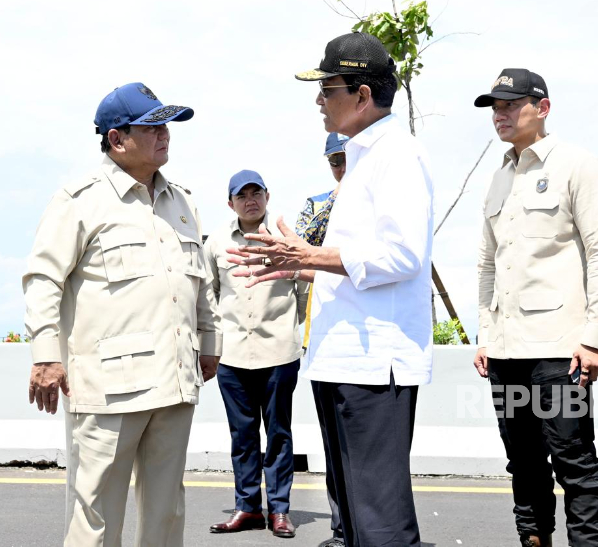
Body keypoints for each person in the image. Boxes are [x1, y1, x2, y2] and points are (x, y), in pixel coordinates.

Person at [229, 31, 434, 547]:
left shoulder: (397, 155)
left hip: (373, 366)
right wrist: (302, 267)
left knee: (381, 525)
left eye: (328, 88)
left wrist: (310, 255)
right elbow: (358, 264)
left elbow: (403, 255)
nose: (319, 101)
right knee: (357, 522)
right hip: (343, 359)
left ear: (363, 95)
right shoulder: (365, 156)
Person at [23, 82, 221, 546]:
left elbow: (200, 284)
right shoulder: (80, 199)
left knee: (167, 512)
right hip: (108, 389)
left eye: (166, 125)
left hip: (174, 383)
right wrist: (46, 355)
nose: (165, 134)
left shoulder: (183, 202)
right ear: (117, 138)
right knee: (96, 516)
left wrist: (209, 344)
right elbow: (43, 279)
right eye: (152, 126)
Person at [473, 68, 598, 547]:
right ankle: (533, 540)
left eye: (511, 104)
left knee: (573, 457)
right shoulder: (498, 177)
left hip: (561, 351)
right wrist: (485, 333)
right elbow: (487, 265)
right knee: (522, 460)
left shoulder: (577, 165)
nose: (501, 114)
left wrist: (596, 335)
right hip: (506, 352)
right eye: (495, 106)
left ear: (543, 107)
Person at [204, 170, 309, 538]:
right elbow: (210, 295)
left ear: (267, 196)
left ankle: (279, 509)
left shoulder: (285, 240)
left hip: (279, 353)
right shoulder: (216, 242)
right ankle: (247, 508)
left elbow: (303, 292)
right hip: (232, 356)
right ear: (230, 202)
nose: (250, 200)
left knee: (279, 433)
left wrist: (293, 334)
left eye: (256, 193)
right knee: (242, 435)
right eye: (242, 195)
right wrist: (211, 347)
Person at [293, 132, 349, 547]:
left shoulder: (379, 201)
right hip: (323, 336)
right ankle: (340, 527)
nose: (342, 166)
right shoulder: (317, 208)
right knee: (333, 448)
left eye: (347, 157)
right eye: (334, 160)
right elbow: (295, 262)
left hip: (368, 341)